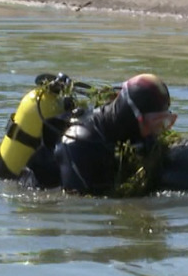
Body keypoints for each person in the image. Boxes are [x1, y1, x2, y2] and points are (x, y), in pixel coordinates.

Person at [19, 73, 177, 196]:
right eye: (155, 123)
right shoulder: (78, 144)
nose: (159, 130)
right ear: (131, 116)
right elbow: (77, 205)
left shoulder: (131, 131)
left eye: (165, 122)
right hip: (37, 198)